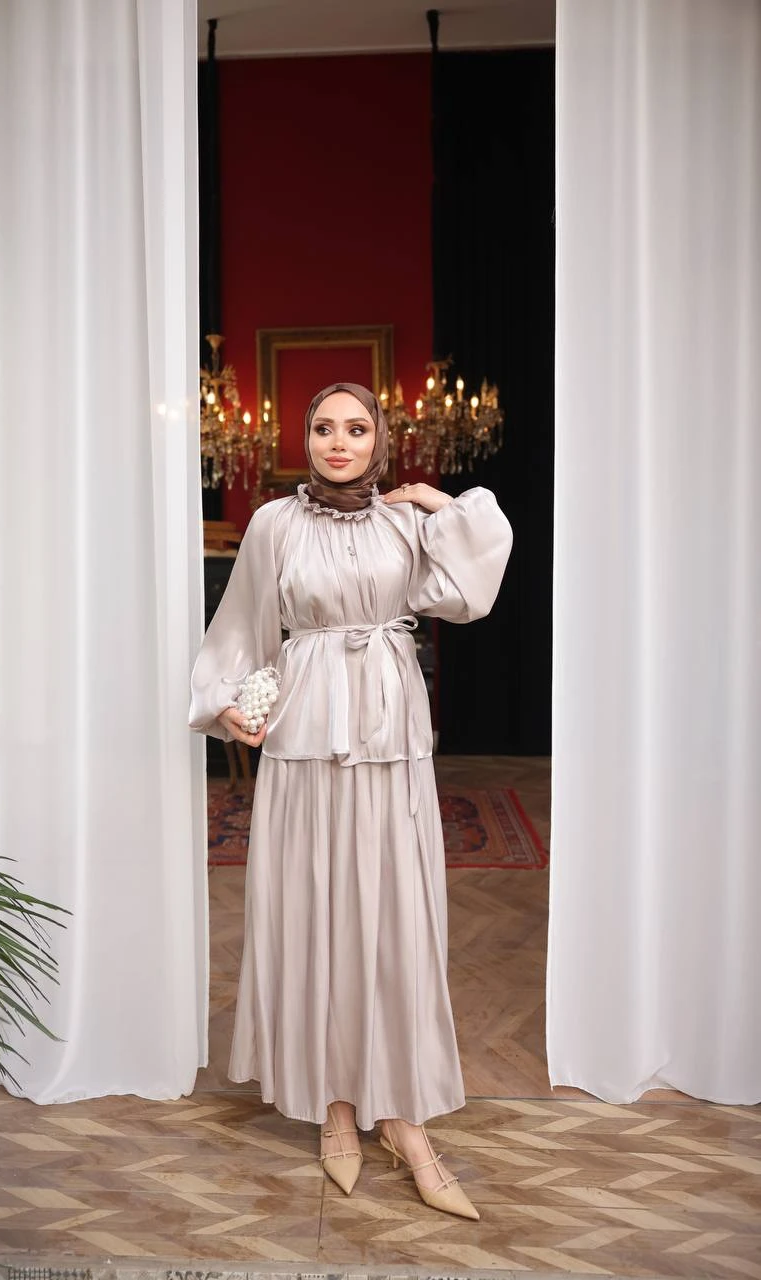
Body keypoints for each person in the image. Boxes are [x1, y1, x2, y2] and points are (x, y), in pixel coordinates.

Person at [189, 381, 513, 1221]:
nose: (339, 441)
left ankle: (403, 1118)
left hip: (389, 732)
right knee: (314, 912)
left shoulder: (407, 522)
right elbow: (242, 626)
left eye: (357, 428)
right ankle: (332, 1106)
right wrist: (223, 701)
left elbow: (471, 592)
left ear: (379, 440)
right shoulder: (273, 524)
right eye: (324, 427)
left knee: (395, 918)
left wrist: (439, 503)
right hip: (304, 734)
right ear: (305, 438)